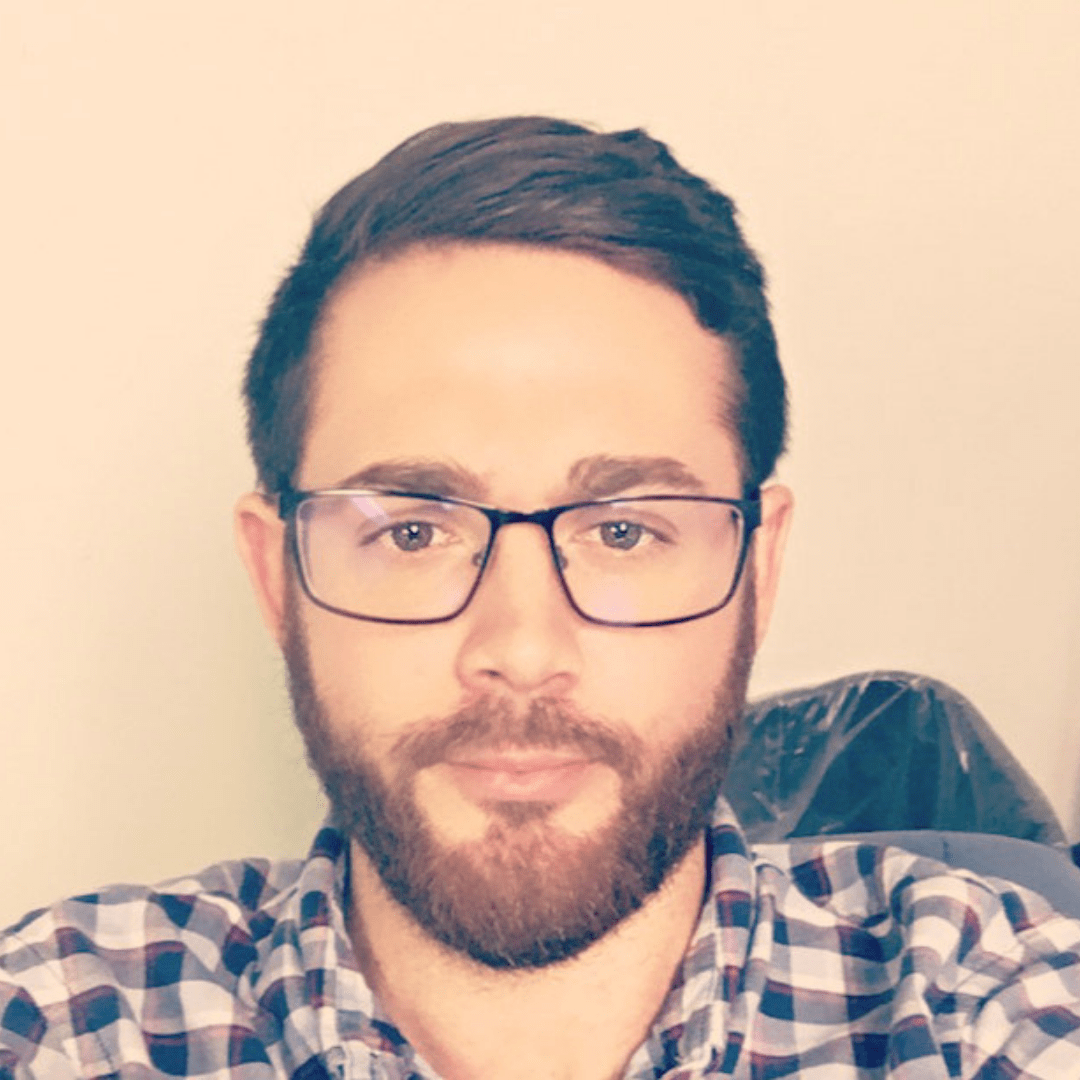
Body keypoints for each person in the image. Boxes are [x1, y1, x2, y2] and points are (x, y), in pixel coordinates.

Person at [2, 116, 1079, 1080]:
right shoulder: (65, 1024)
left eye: (625, 530)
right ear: (277, 576)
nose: (522, 647)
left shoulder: (981, 1001)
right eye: (413, 531)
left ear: (758, 570)